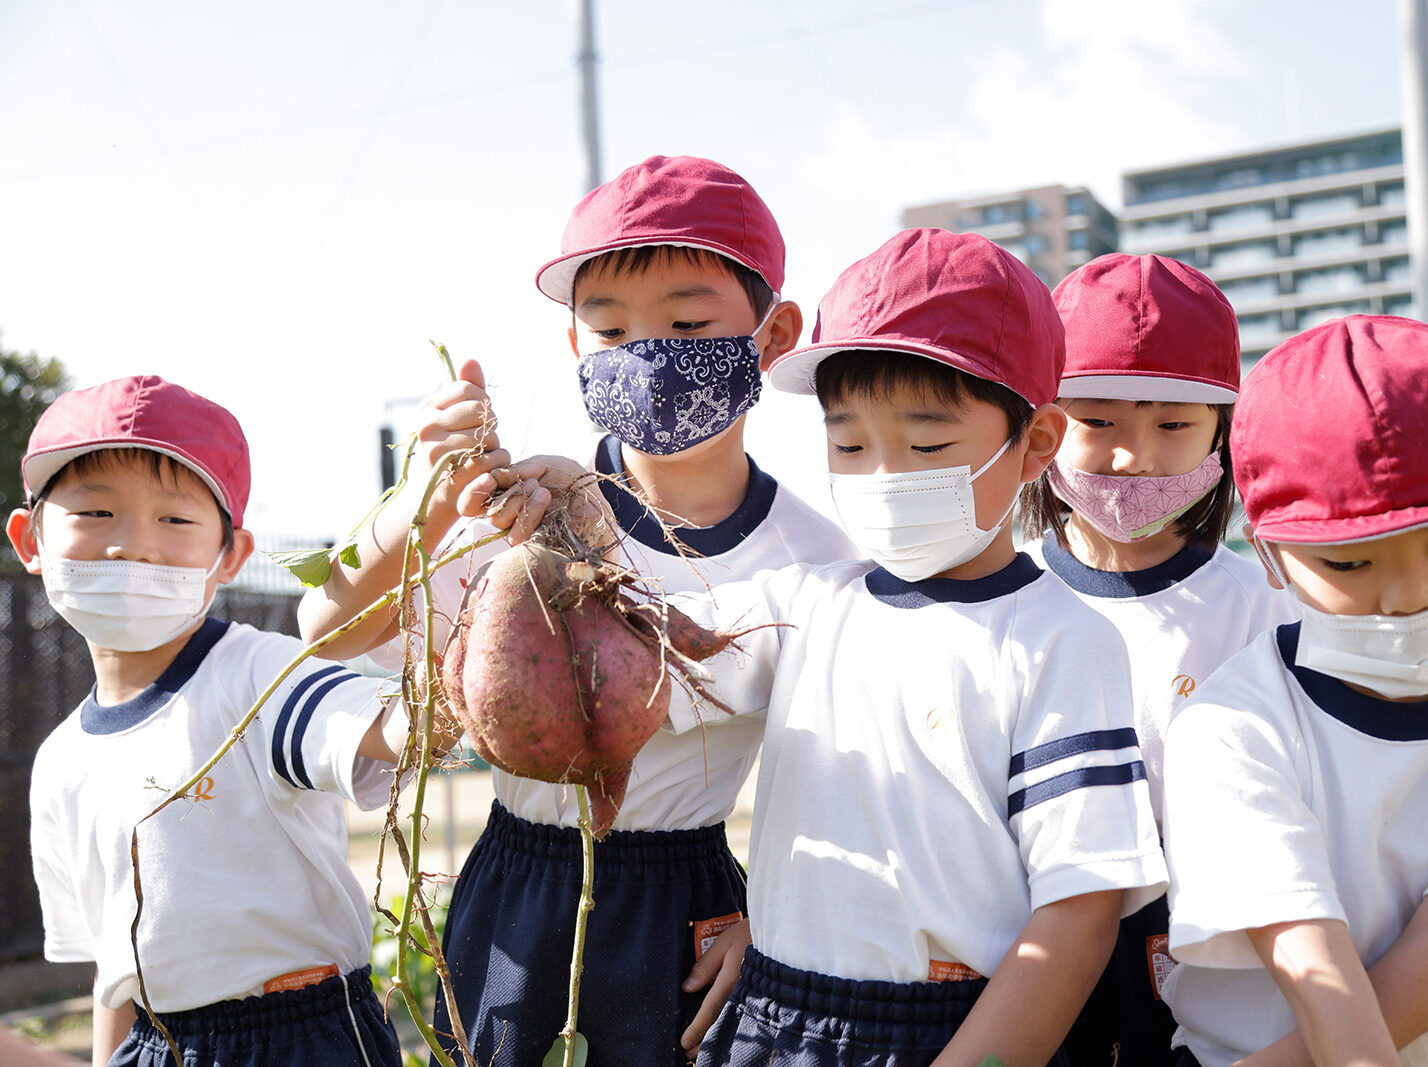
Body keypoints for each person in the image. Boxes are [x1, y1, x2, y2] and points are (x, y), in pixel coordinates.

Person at [297, 154, 855, 1066]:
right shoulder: (525, 519)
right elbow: (328, 636)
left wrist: (768, 920)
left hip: (690, 901)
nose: (646, 351)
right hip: (518, 881)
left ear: (772, 331)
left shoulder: (819, 557)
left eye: (686, 321)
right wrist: (426, 505)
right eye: (610, 330)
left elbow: (843, 789)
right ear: (573, 349)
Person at [666, 228, 1169, 1067]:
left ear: (1037, 443)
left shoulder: (1062, 640)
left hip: (963, 1029)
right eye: (849, 444)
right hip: (779, 1014)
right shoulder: (805, 600)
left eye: (928, 445)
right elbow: (646, 664)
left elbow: (1081, 909)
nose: (882, 476)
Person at [1161, 315, 1428, 1066]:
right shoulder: (1231, 727)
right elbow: (1313, 967)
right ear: (1268, 554)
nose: (1410, 594)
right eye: (1351, 565)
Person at [7, 376, 431, 1067]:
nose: (132, 546)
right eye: (95, 512)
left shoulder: (259, 674)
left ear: (230, 555)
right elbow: (114, 971)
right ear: (30, 538)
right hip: (155, 1043)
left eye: (174, 520)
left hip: (303, 1038)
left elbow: (391, 728)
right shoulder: (60, 762)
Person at [1017, 252, 1293, 1067]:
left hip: (1204, 942)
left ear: (1223, 433)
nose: (1132, 457)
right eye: (1096, 421)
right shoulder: (1004, 593)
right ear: (1043, 421)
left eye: (1173, 424)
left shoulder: (1267, 607)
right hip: (1026, 931)